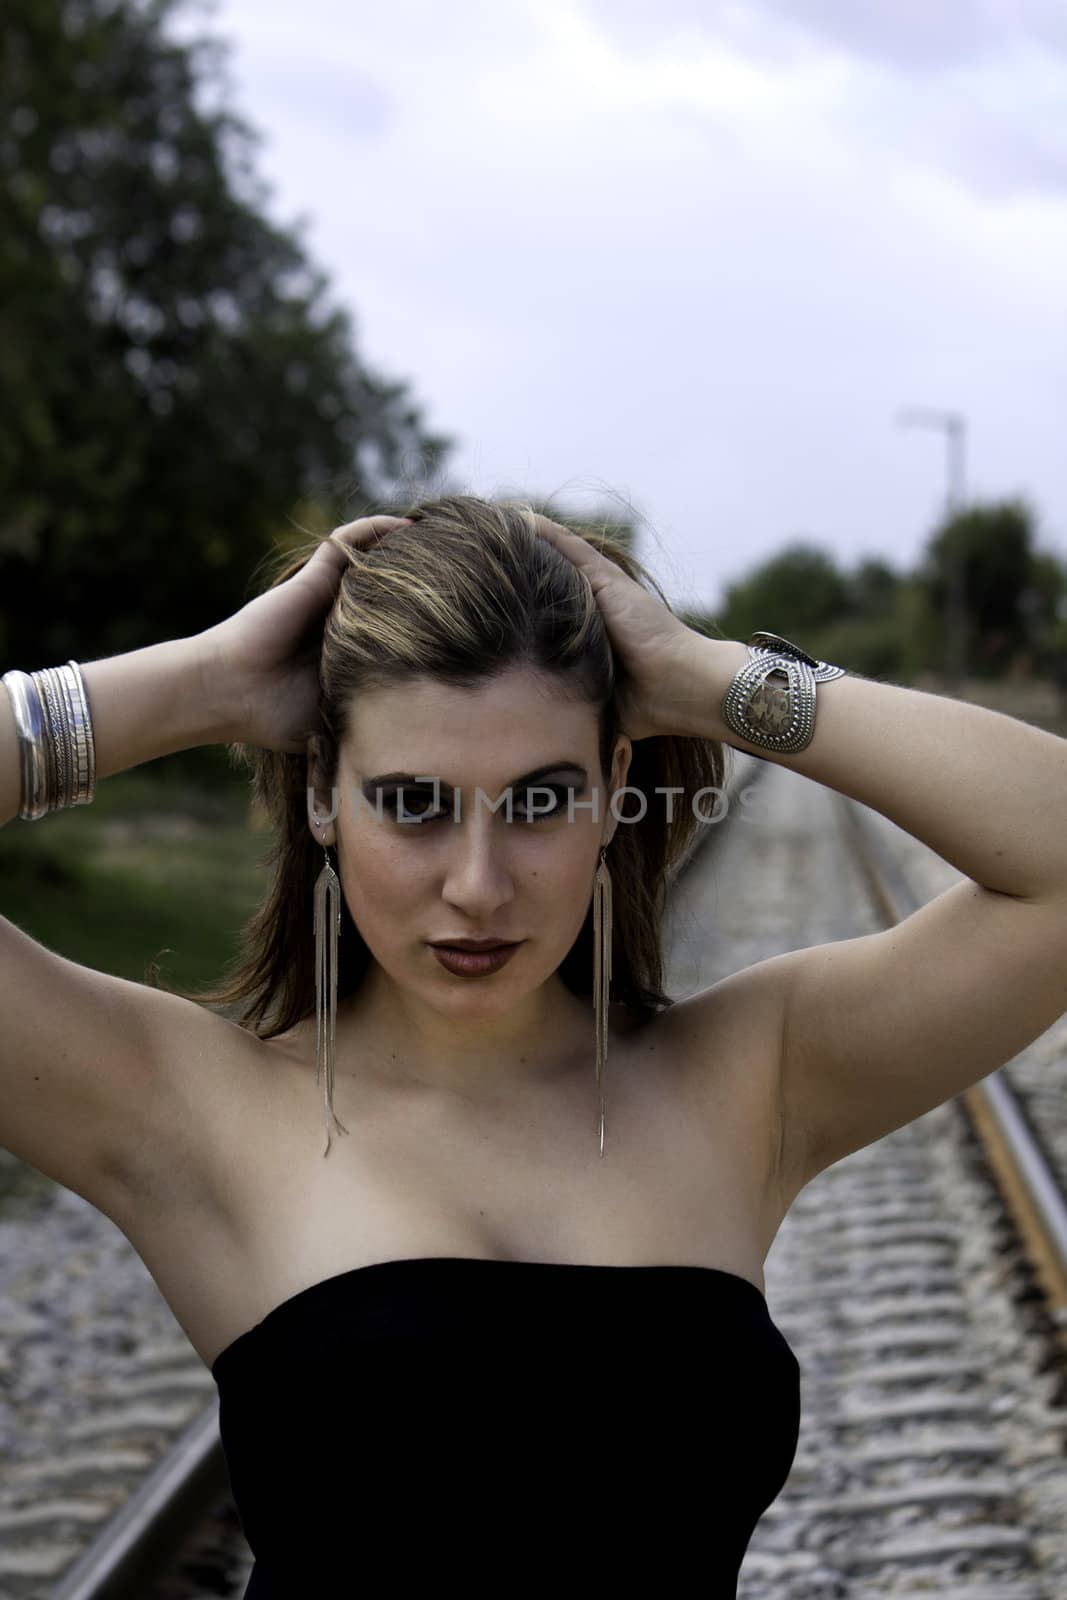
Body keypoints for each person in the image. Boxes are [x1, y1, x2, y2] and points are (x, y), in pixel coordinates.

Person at [6, 493, 1067, 1597]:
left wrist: (709, 682)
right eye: (413, 801)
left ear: (614, 790)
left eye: (540, 798)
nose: (477, 883)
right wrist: (204, 685)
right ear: (321, 792)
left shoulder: (748, 1077)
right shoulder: (193, 1108)